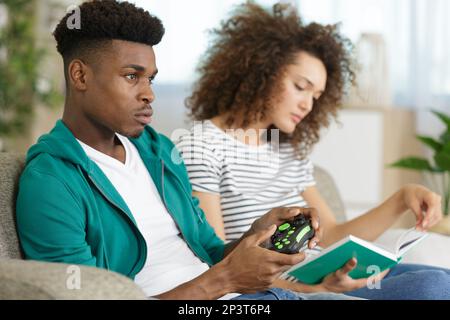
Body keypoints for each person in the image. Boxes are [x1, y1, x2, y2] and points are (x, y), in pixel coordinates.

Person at [15, 0, 359, 300]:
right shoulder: (51, 182)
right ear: (79, 76)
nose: (148, 93)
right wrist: (225, 280)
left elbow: (209, 251)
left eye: (150, 78)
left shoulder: (160, 153)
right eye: (132, 76)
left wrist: (257, 232)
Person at [175, 1, 450, 299]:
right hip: (283, 290)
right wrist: (315, 287)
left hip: (322, 277)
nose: (308, 105)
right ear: (261, 70)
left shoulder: (286, 150)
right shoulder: (201, 146)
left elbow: (331, 235)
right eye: (300, 86)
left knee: (442, 278)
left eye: (316, 96)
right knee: (434, 287)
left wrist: (401, 199)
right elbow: (220, 263)